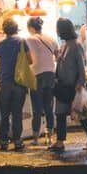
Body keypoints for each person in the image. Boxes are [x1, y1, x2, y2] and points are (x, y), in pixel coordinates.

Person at [48, 18, 87, 152]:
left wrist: (81, 83)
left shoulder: (76, 45)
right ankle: (60, 141)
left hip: (73, 86)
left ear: (63, 30)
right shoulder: (64, 45)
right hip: (62, 85)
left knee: (78, 112)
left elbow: (81, 66)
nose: (57, 31)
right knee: (61, 113)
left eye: (58, 28)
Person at [0, 19, 32, 151]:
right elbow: (30, 60)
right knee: (17, 113)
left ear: (4, 30)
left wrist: (4, 64)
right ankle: (18, 142)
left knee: (4, 114)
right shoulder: (22, 42)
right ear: (16, 29)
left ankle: (4, 142)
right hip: (19, 84)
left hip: (4, 83)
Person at [26, 17, 58, 146]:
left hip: (37, 76)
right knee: (49, 108)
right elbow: (58, 56)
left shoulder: (28, 40)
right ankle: (49, 137)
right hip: (50, 75)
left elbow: (26, 59)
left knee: (37, 109)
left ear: (31, 28)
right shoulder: (51, 39)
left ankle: (35, 139)